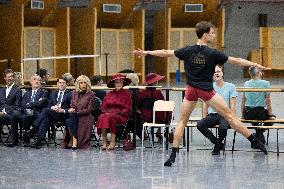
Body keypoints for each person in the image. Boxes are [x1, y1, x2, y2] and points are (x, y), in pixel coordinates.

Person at [133, 21, 268, 167]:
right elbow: (236, 61)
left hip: (191, 90)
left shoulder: (187, 50)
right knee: (230, 116)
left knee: (182, 121)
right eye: (212, 33)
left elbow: (166, 52)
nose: (214, 35)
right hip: (206, 91)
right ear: (205, 35)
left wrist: (146, 52)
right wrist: (254, 64)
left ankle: (173, 155)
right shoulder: (212, 53)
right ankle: (256, 142)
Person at [197, 65, 237, 155]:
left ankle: (217, 146)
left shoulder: (231, 86)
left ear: (222, 73)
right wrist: (204, 116)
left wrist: (233, 118)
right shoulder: (209, 86)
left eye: (218, 71)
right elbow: (206, 103)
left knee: (223, 127)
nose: (216, 74)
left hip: (225, 115)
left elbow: (232, 104)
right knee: (200, 125)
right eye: (214, 73)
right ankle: (218, 143)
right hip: (213, 115)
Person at [23, 77, 72, 149]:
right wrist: (53, 107)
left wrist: (61, 109)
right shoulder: (53, 93)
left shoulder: (70, 94)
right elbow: (49, 105)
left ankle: (33, 130)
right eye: (60, 83)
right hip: (54, 114)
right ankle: (39, 141)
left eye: (63, 83)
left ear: (66, 84)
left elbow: (71, 107)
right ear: (57, 84)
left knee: (45, 111)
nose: (61, 84)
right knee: (45, 118)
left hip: (63, 115)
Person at [7, 74, 48, 147]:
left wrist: (29, 104)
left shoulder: (44, 92)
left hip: (38, 113)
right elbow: (23, 105)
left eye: (39, 80)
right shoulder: (27, 93)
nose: (37, 81)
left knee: (44, 118)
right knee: (16, 116)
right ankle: (17, 140)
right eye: (35, 79)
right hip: (26, 113)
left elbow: (40, 103)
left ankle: (37, 140)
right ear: (31, 82)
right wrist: (34, 103)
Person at [241, 66, 275, 148]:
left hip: (248, 113)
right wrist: (270, 115)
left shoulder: (246, 83)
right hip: (260, 113)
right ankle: (259, 133)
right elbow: (268, 101)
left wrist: (242, 114)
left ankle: (257, 135)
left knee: (255, 118)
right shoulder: (265, 83)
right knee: (273, 118)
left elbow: (243, 101)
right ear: (258, 73)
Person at [96, 74, 132, 150]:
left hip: (121, 116)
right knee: (102, 116)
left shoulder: (127, 95)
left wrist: (116, 113)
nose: (119, 84)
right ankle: (104, 141)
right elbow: (103, 107)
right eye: (117, 82)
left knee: (109, 116)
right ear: (114, 84)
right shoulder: (109, 94)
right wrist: (107, 112)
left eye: (121, 82)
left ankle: (112, 142)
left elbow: (127, 109)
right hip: (108, 114)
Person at [62, 75, 95, 150]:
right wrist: (71, 109)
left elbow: (88, 109)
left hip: (85, 115)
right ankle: (74, 139)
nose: (83, 85)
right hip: (74, 115)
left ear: (87, 84)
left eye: (84, 83)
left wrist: (77, 112)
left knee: (71, 118)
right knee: (70, 119)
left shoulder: (91, 94)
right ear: (78, 84)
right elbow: (72, 105)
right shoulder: (74, 93)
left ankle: (73, 140)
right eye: (81, 83)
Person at [138, 73, 171, 142]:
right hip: (158, 118)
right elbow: (163, 105)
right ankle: (164, 131)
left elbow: (139, 105)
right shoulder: (158, 93)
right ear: (155, 82)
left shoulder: (141, 93)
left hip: (145, 118)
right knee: (168, 112)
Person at [0, 69, 22, 146]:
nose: (10, 78)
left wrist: (4, 112)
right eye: (8, 77)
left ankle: (14, 141)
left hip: (10, 114)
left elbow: (17, 106)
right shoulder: (1, 90)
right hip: (1, 114)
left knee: (13, 117)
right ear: (4, 78)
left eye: (12, 77)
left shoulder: (17, 90)